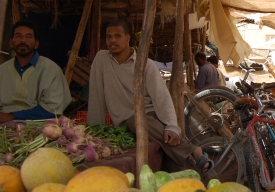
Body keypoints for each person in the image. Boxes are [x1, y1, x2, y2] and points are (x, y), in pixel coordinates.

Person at [88, 21, 212, 173]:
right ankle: (194, 157)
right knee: (166, 155)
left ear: (128, 38)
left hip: (150, 117)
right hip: (125, 124)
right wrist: (93, 133)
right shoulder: (102, 59)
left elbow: (162, 98)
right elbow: (96, 98)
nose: (112, 40)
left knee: (167, 152)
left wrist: (171, 126)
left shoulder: (146, 65)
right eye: (109, 37)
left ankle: (196, 161)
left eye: (117, 36)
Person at [0, 21, 71, 124]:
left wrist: (12, 116)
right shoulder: (1, 70)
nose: (23, 40)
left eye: (29, 36)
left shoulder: (50, 69)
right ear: (11, 42)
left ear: (36, 44)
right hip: (3, 127)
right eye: (18, 36)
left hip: (39, 128)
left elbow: (52, 109)